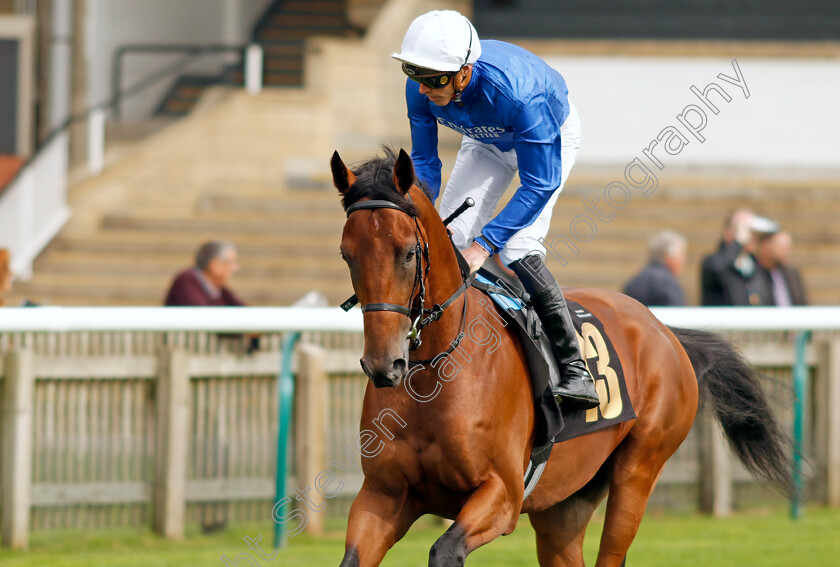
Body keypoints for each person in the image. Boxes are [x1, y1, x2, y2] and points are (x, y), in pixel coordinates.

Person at [392, 10, 597, 409]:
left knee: (518, 248)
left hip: (545, 137)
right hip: (485, 142)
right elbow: (426, 164)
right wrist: (413, 210)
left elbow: (540, 183)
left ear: (464, 73)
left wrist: (483, 245)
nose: (422, 90)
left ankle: (576, 369)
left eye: (432, 79)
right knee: (445, 240)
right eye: (413, 73)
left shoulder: (520, 95)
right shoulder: (419, 88)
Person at [700, 209, 775, 306]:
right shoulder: (713, 262)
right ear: (728, 231)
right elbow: (717, 268)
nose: (752, 236)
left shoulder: (756, 264)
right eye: (748, 230)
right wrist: (738, 241)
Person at [164, 241, 246, 306]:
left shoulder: (219, 289)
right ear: (215, 265)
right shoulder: (186, 281)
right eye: (231, 263)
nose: (236, 267)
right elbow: (203, 315)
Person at [623, 230, 687, 307]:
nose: (684, 260)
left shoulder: (636, 279)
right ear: (668, 256)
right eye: (681, 255)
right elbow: (677, 313)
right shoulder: (666, 282)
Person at [756, 231, 807, 306]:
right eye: (780, 247)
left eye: (787, 248)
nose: (785, 252)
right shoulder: (754, 275)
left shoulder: (792, 274)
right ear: (765, 246)